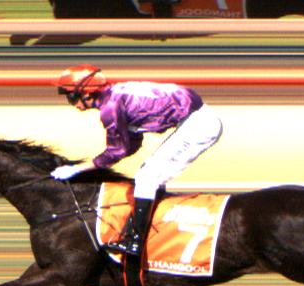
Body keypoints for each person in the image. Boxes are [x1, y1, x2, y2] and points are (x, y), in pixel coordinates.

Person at [51, 65, 215, 267]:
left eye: (71, 97)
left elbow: (117, 150)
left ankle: (135, 241)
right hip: (195, 119)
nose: (71, 103)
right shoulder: (115, 96)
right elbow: (129, 145)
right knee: (150, 174)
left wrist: (78, 168)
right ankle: (153, 221)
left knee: (146, 177)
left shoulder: (110, 107)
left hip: (198, 126)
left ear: (86, 93)